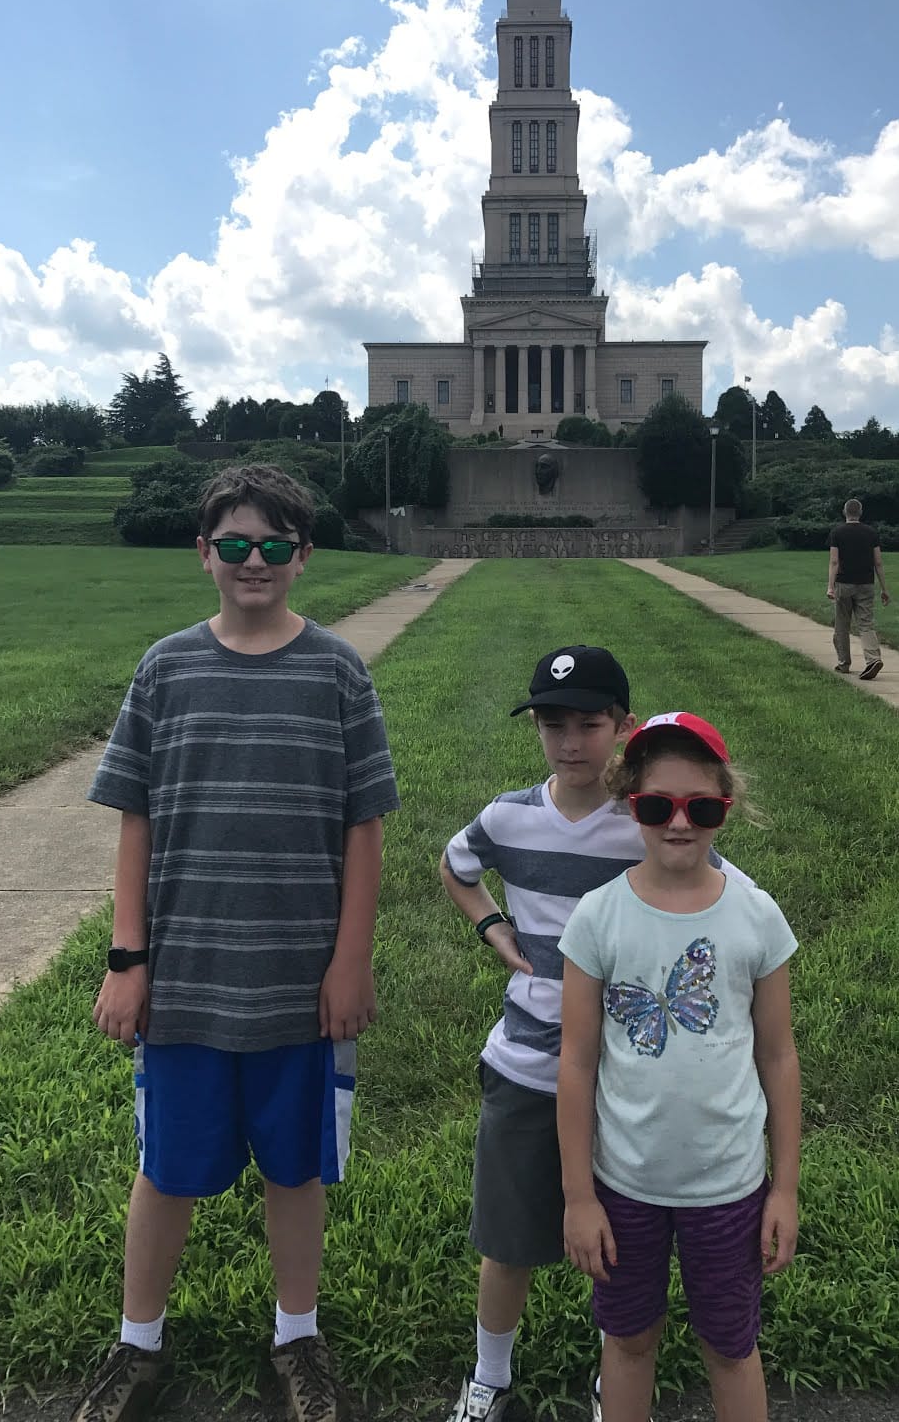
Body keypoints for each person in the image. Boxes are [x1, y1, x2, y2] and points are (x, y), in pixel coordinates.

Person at [72, 464, 398, 1422]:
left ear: (303, 556)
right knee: (167, 1166)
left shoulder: (337, 669)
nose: (253, 562)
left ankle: (298, 1336)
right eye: (234, 545)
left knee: (295, 1167)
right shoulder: (166, 668)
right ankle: (138, 1346)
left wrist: (350, 959)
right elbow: (133, 817)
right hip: (188, 979)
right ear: (203, 553)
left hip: (301, 982)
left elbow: (364, 825)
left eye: (273, 546)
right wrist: (128, 960)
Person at [441, 653, 757, 1422]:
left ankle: (612, 1373)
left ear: (622, 726)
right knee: (509, 1239)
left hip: (622, 1072)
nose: (570, 742)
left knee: (616, 1241)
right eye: (554, 725)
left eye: (589, 725)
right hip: (526, 1063)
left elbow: (720, 890)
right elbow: (456, 864)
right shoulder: (510, 816)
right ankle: (489, 1377)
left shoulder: (645, 822)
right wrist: (491, 924)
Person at [558, 713, 800, 1422]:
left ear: (727, 804)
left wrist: (783, 1189)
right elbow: (575, 1063)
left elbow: (779, 1056)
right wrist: (579, 1198)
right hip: (624, 1185)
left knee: (730, 1348)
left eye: (702, 807)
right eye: (658, 806)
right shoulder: (598, 918)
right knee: (629, 1340)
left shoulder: (755, 917)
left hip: (728, 1187)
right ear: (630, 800)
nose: (679, 824)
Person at [827, 498, 890, 681]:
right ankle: (873, 658)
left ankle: (843, 662)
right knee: (866, 623)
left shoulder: (837, 532)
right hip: (866, 583)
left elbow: (834, 561)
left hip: (844, 583)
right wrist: (884, 588)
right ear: (860, 513)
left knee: (842, 624)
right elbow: (878, 562)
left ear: (844, 512)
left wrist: (830, 586)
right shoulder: (871, 533)